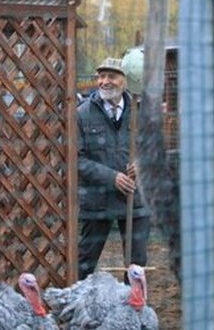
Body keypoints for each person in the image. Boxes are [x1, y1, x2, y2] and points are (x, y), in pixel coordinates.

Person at [76, 57, 150, 280]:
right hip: (98, 200)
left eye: (112, 76)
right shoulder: (82, 114)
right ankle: (79, 303)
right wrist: (111, 177)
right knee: (84, 263)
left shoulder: (140, 111)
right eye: (101, 76)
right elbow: (76, 159)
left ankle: (133, 309)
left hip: (134, 200)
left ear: (125, 81)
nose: (104, 81)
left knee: (136, 266)